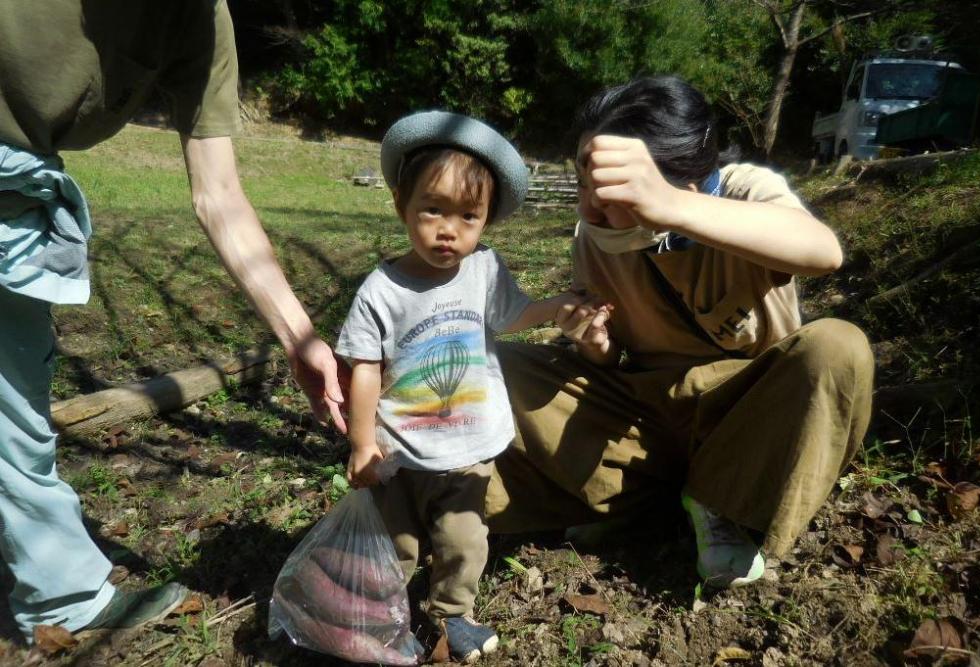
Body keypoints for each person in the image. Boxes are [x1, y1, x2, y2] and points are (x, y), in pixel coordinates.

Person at [0, 1, 345, 641]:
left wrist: (298, 335)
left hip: (14, 201)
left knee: (16, 421)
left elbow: (218, 193)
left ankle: (57, 598)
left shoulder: (200, 22)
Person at [484, 76, 875, 589]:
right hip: (645, 419)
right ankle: (647, 501)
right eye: (583, 188)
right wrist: (598, 347)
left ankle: (720, 503)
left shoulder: (744, 192)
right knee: (491, 366)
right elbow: (611, 356)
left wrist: (670, 208)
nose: (586, 210)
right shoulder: (596, 239)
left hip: (746, 419)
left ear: (680, 183)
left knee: (837, 349)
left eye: (604, 193)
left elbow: (822, 252)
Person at [335, 111, 583, 663]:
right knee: (395, 546)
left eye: (468, 216)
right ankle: (381, 613)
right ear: (402, 204)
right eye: (433, 209)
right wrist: (360, 443)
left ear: (486, 220)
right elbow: (366, 368)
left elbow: (513, 315)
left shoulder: (484, 271)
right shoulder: (382, 289)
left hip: (468, 452)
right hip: (399, 451)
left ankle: (452, 614)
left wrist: (559, 309)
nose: (449, 230)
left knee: (465, 542)